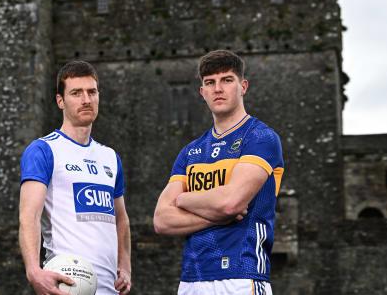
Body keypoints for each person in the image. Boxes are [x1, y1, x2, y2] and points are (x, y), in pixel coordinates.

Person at [153, 50, 284, 295]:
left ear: (243, 86)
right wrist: (216, 213)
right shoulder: (190, 152)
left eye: (227, 80)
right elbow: (161, 220)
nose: (218, 89)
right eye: (210, 83)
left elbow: (230, 203)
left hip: (242, 276)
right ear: (202, 92)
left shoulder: (260, 137)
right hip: (191, 279)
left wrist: (184, 200)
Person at [19, 60, 131, 295]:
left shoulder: (110, 157)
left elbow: (121, 219)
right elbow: (30, 216)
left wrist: (125, 265)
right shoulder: (43, 150)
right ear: (61, 101)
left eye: (92, 92)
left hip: (109, 289)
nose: (86, 99)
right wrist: (33, 270)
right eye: (76, 93)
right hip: (67, 286)